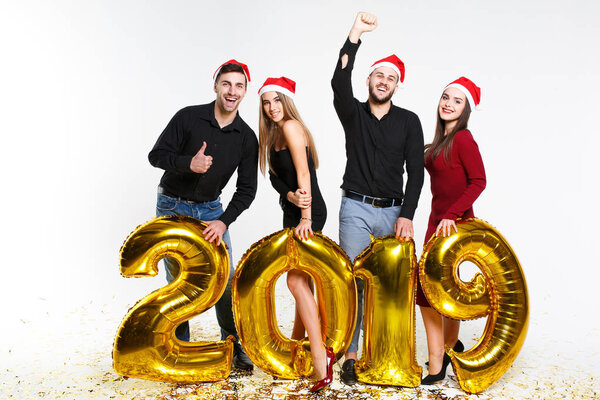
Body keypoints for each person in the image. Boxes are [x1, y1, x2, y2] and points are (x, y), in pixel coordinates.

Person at [331, 12, 425, 385]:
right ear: (368, 80)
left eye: (391, 78)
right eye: (379, 75)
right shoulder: (352, 114)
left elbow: (416, 173)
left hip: (393, 213)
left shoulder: (410, 121)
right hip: (354, 207)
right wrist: (355, 35)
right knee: (353, 281)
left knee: (388, 287)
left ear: (396, 87)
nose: (384, 82)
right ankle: (351, 355)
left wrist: (408, 214)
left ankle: (385, 351)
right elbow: (338, 80)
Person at [148, 59, 258, 371]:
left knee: (226, 279)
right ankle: (180, 346)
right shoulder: (188, 117)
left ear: (245, 91)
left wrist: (224, 221)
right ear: (216, 86)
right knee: (177, 282)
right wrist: (187, 163)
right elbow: (155, 155)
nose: (231, 91)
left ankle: (233, 344)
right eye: (226, 84)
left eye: (238, 85)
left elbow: (247, 189)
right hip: (172, 206)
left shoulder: (246, 137)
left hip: (211, 211)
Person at [257, 76, 334, 392]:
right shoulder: (272, 135)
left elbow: (305, 175)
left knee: (294, 280)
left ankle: (320, 359)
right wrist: (289, 198)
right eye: (266, 102)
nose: (272, 107)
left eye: (277, 100)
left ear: (287, 102)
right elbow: (279, 182)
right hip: (292, 211)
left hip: (309, 213)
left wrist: (306, 216)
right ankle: (298, 348)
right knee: (301, 281)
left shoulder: (290, 127)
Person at [417, 77, 486, 385]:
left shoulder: (464, 139)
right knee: (436, 290)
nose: (448, 103)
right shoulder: (440, 142)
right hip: (437, 221)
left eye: (457, 101)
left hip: (452, 224)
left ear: (465, 109)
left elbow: (479, 181)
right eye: (446, 97)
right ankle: (448, 345)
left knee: (432, 292)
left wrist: (453, 215)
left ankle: (438, 359)